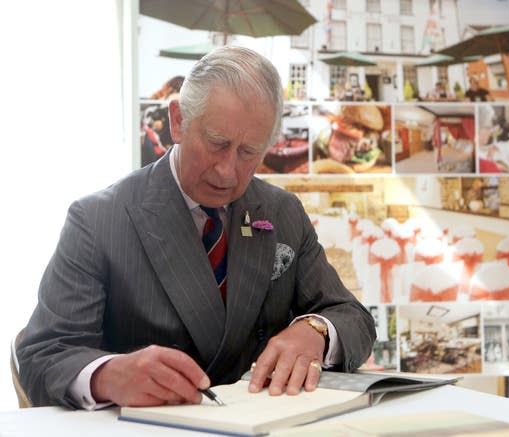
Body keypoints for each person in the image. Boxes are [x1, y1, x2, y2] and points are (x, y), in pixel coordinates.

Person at [17, 46, 376, 408]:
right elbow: (44, 355)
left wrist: (314, 332)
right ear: (177, 120)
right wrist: (109, 375)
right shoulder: (98, 220)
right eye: (216, 144)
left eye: (249, 152)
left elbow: (354, 318)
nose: (227, 171)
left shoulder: (282, 212)